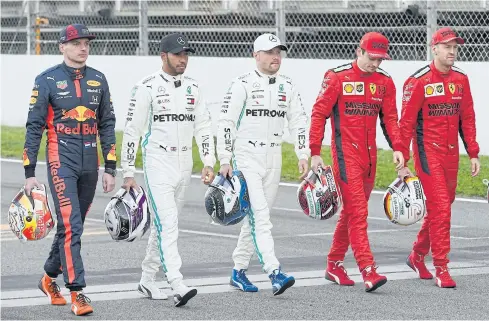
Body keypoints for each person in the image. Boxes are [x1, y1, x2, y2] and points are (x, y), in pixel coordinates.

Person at [23, 23, 117, 316]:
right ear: (62, 46)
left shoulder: (99, 79)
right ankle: (78, 292)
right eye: (76, 42)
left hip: (91, 163)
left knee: (68, 227)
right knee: (73, 226)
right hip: (60, 161)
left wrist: (110, 167)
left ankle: (48, 279)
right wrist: (29, 173)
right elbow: (34, 127)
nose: (83, 47)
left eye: (86, 42)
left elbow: (107, 124)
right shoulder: (47, 80)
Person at [120, 33, 216, 307]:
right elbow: (132, 131)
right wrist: (128, 171)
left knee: (163, 227)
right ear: (163, 56)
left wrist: (208, 161)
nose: (183, 59)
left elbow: (204, 127)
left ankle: (147, 278)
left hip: (185, 164)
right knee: (169, 223)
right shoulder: (146, 87)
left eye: (186, 54)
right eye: (177, 54)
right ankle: (177, 282)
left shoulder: (194, 87)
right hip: (158, 163)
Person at [309, 32, 404, 292]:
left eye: (381, 60)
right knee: (359, 212)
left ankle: (334, 264)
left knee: (351, 211)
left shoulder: (385, 81)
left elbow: (391, 118)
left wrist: (398, 147)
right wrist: (315, 151)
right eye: (372, 58)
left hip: (370, 157)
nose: (376, 64)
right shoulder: (336, 76)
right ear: (359, 51)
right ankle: (368, 270)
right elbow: (319, 114)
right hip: (344, 154)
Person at [217, 33, 310, 296]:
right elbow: (226, 123)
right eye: (269, 52)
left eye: (279, 52)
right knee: (262, 218)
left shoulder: (288, 85)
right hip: (247, 156)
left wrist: (303, 153)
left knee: (256, 218)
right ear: (256, 55)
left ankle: (238, 270)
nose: (275, 57)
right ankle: (274, 272)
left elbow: (299, 121)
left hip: (274, 157)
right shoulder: (241, 84)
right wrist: (224, 158)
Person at [398, 27, 480, 288]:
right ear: (434, 49)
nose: (452, 51)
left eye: (455, 47)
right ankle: (442, 268)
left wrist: (473, 152)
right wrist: (403, 157)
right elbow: (406, 123)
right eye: (447, 47)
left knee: (442, 207)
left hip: (452, 153)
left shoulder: (461, 79)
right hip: (427, 151)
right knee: (442, 208)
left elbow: (467, 118)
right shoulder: (418, 81)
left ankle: (417, 255)